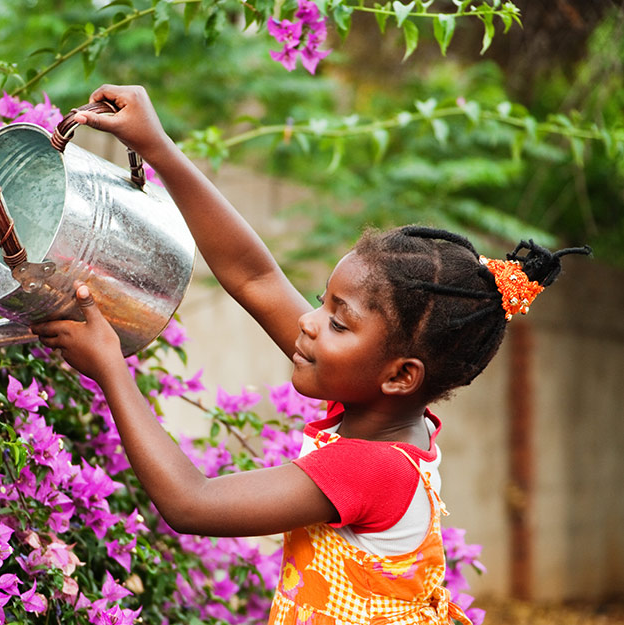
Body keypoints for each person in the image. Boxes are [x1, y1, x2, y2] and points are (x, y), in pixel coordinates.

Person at [30, 84, 590, 625]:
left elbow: (190, 504)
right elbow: (255, 277)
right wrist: (158, 148)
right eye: (324, 302)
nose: (308, 321)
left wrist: (110, 366)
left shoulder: (368, 465)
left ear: (400, 375)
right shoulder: (386, 414)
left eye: (338, 322)